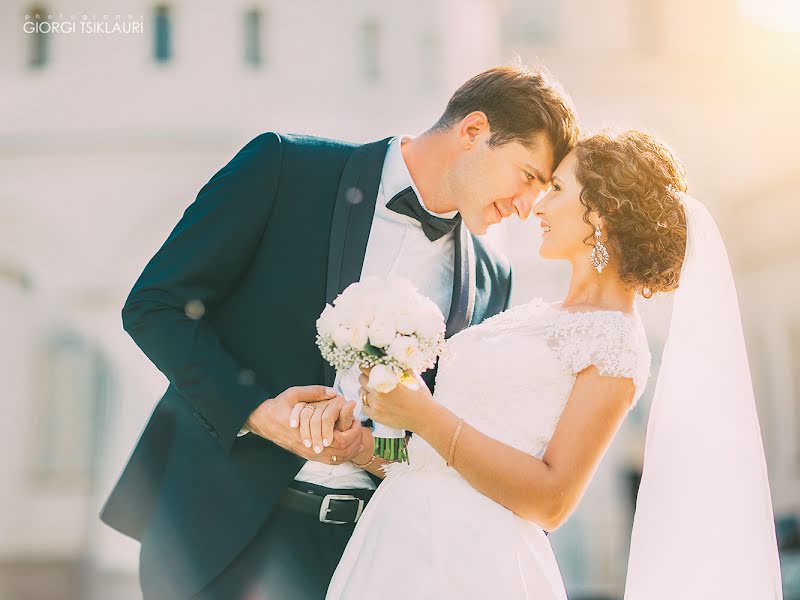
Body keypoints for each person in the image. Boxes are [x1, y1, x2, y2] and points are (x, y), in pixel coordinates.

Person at [99, 65, 579, 600]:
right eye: (529, 176)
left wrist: (371, 448)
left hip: (371, 558)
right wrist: (258, 413)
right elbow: (155, 306)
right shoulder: (284, 167)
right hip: (220, 535)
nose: (526, 206)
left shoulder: (491, 276)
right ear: (473, 132)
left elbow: (433, 438)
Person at [328, 130, 782, 599]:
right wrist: (365, 445)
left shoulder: (615, 342)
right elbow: (437, 460)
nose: (538, 207)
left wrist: (422, 415)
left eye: (558, 189)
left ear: (602, 213)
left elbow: (551, 501)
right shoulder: (534, 315)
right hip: (395, 543)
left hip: (475, 563)